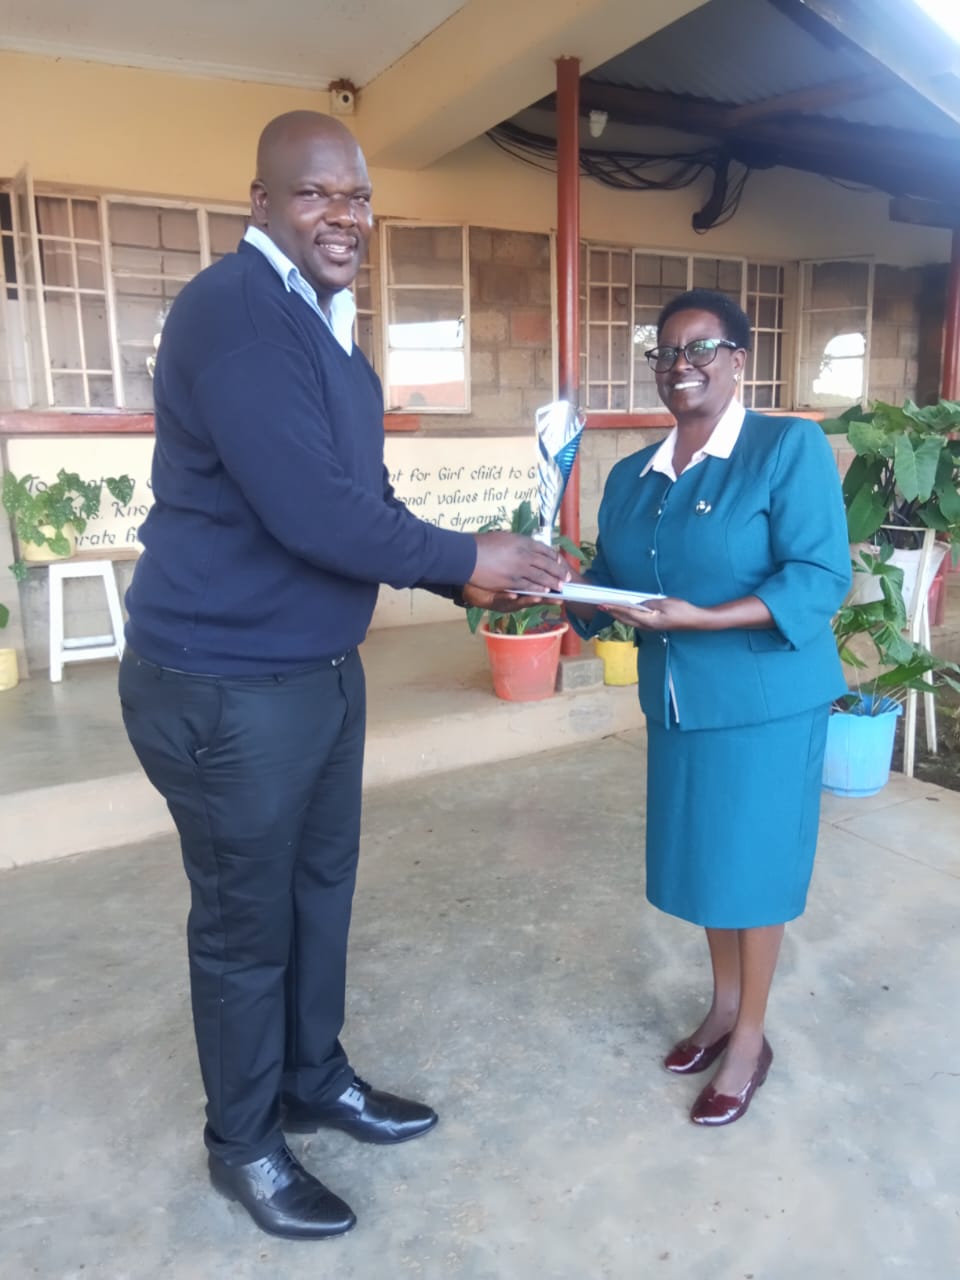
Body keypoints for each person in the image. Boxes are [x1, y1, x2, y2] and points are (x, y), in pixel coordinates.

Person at [118, 109, 566, 1239]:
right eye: (316, 193)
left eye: (359, 197)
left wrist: (460, 574)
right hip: (225, 683)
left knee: (319, 896)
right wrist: (465, 557)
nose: (345, 215)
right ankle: (245, 1145)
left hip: (313, 673)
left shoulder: (324, 332)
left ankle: (314, 1077)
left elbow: (358, 505)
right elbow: (310, 509)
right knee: (243, 926)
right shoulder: (234, 315)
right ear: (260, 203)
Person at [566, 288, 851, 1126]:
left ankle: (753, 1039)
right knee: (711, 868)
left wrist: (706, 617)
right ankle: (724, 1009)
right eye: (665, 353)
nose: (680, 367)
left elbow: (817, 577)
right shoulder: (632, 476)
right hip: (681, 704)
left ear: (738, 358)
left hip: (764, 703)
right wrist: (562, 582)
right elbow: (616, 581)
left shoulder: (785, 449)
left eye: (700, 350)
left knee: (753, 874)